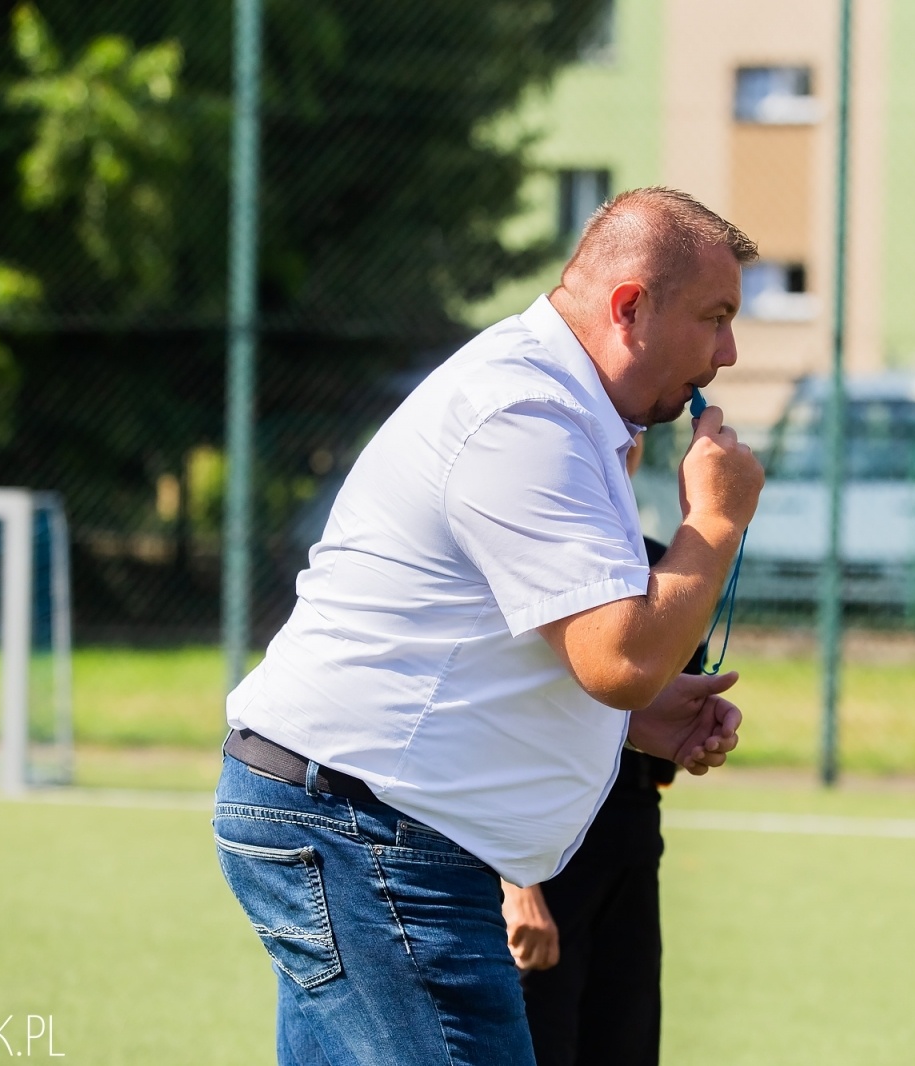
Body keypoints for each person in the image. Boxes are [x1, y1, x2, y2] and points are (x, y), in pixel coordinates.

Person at [212, 187, 764, 1066]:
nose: (728, 353)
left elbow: (523, 641)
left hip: (358, 821)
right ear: (630, 308)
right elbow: (619, 658)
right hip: (370, 836)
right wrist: (718, 520)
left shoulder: (561, 406)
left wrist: (631, 722)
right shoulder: (525, 414)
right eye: (716, 318)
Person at [502, 436, 698, 1066]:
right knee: (540, 1040)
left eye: (633, 432)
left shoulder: (665, 571)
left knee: (624, 1041)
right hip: (543, 838)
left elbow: (658, 731)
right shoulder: (533, 555)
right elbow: (500, 727)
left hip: (630, 828)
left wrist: (694, 723)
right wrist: (516, 883)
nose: (624, 443)